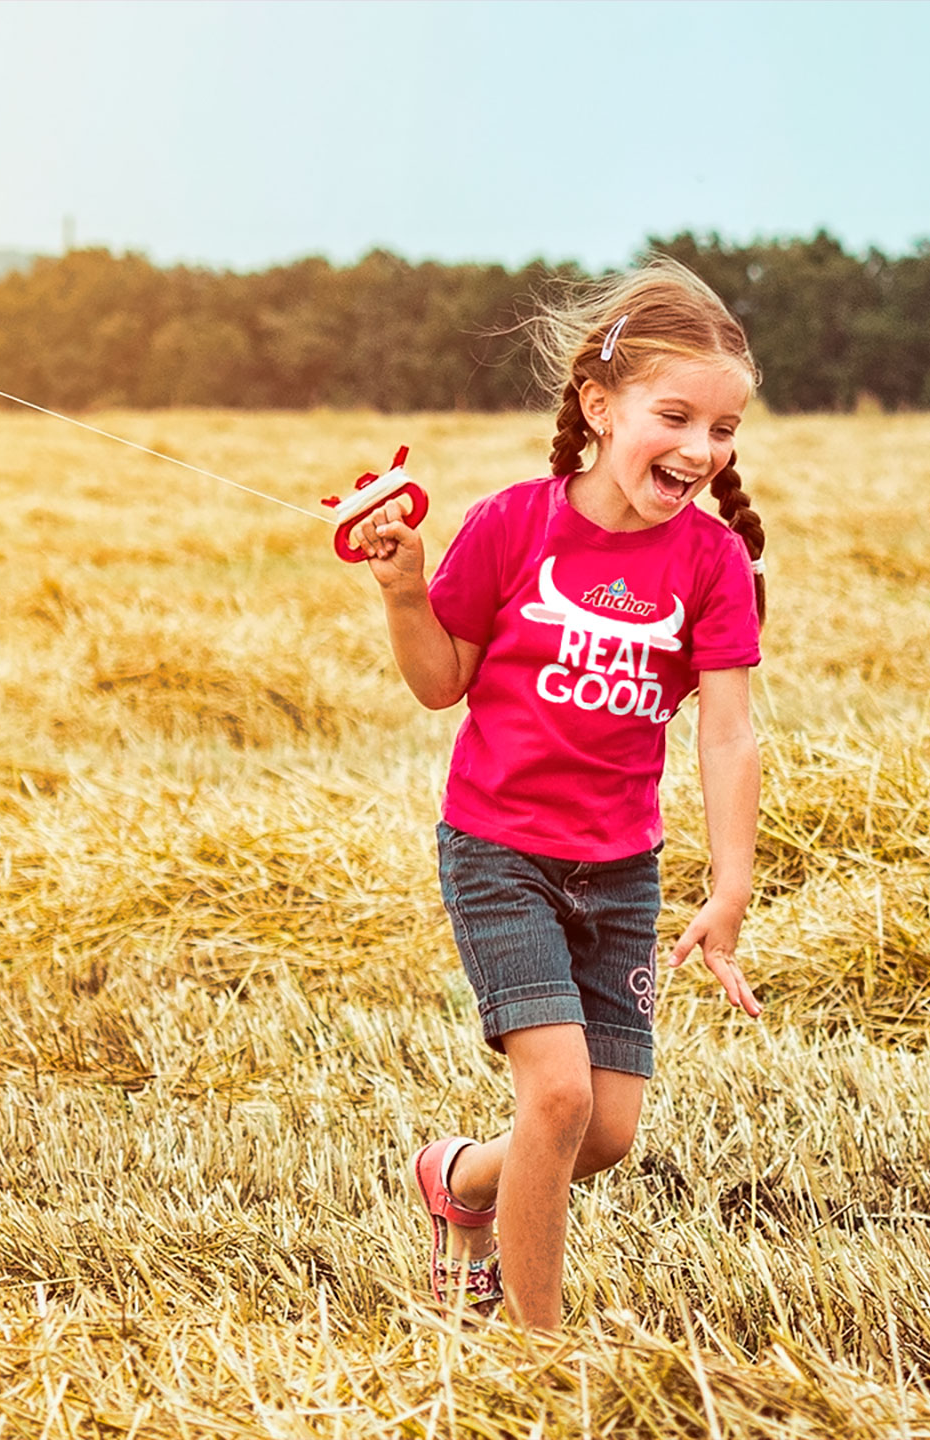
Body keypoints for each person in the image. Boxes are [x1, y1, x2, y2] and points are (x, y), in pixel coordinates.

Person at [360, 258, 769, 1329]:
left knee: (603, 1135)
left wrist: (729, 888)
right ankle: (537, 1355)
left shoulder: (713, 562)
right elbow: (438, 682)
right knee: (554, 1095)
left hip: (620, 873)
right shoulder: (510, 526)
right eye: (673, 415)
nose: (699, 449)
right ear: (598, 404)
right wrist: (405, 590)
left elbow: (726, 736)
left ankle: (460, 1181)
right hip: (499, 855)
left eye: (722, 429)